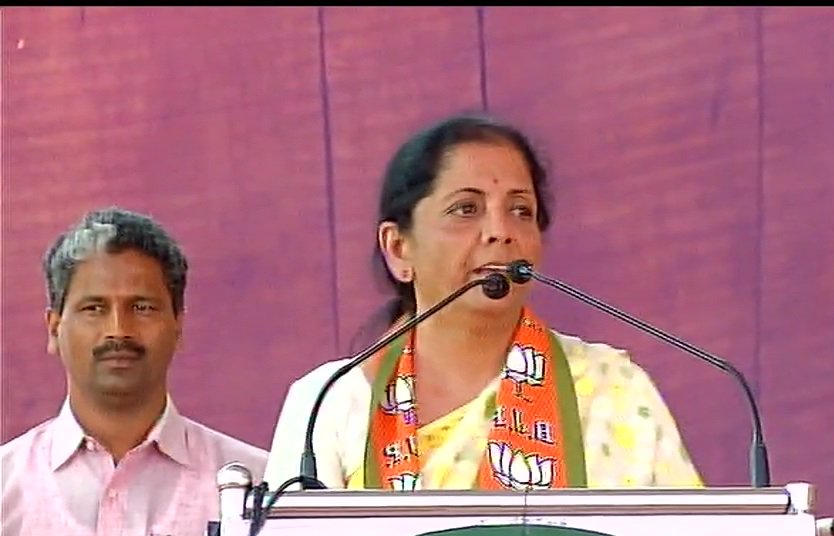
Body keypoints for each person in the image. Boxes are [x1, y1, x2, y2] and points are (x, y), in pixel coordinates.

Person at [263, 113, 704, 492]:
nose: (499, 231)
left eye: (520, 210)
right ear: (399, 249)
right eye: (466, 209)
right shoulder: (328, 403)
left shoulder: (614, 390)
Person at [0, 208, 268, 536]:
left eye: (141, 307)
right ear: (53, 328)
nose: (118, 331)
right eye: (94, 308)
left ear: (179, 325)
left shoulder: (258, 488)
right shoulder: (5, 487)